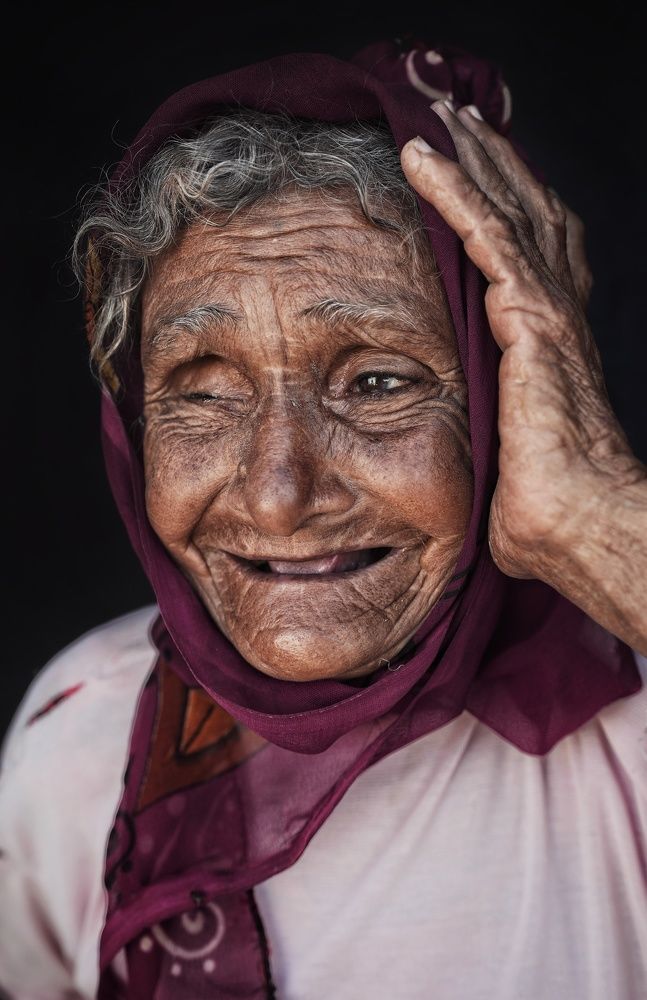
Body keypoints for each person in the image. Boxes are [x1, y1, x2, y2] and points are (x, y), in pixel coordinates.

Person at [1, 38, 646, 1000]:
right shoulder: (80, 735)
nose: (275, 493)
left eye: (377, 382)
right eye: (203, 394)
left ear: (504, 395)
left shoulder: (626, 732)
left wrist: (596, 515)